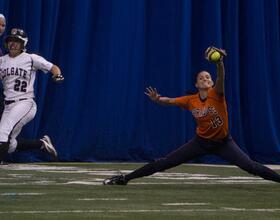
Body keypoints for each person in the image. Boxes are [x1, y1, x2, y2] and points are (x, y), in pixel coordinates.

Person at [103, 46, 280, 185]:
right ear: (196, 84)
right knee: (164, 162)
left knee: (250, 166)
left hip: (224, 143)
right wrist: (157, 99)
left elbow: (221, 77)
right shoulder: (190, 100)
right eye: (202, 78)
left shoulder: (217, 93)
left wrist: (219, 62)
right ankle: (125, 178)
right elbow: (169, 101)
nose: (206, 79)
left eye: (208, 77)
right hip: (200, 143)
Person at [0, 28, 64, 162]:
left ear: (23, 44)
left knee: (3, 131)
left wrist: (57, 75)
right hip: (8, 105)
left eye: (17, 41)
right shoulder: (2, 60)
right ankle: (41, 144)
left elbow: (53, 67)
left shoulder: (31, 58)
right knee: (10, 145)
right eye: (10, 40)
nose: (13, 44)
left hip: (25, 103)